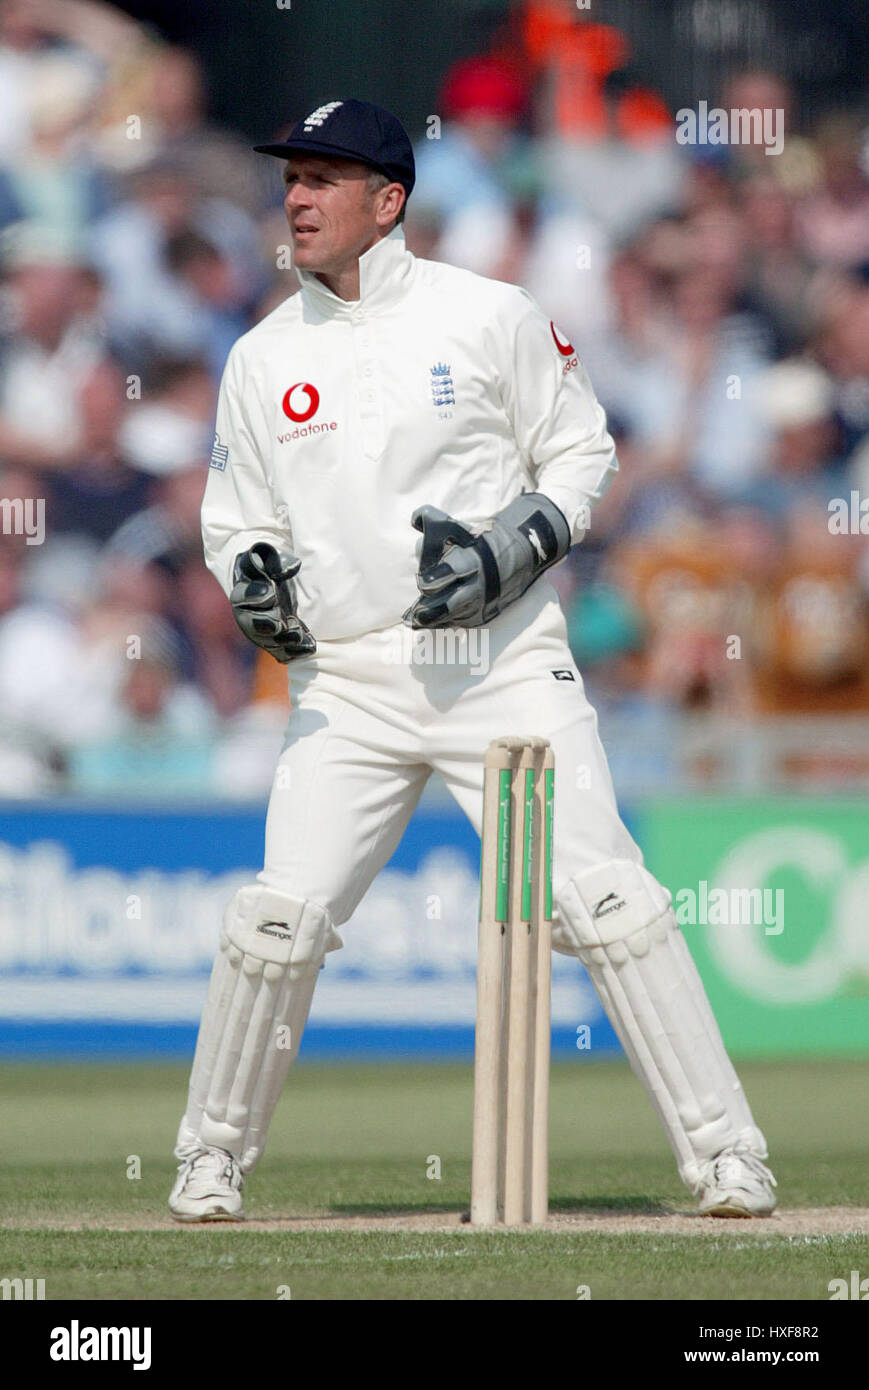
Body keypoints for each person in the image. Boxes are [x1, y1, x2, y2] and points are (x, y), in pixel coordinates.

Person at [169, 98, 776, 1222]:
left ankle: (724, 1153)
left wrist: (520, 542)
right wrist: (253, 576)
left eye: (320, 178)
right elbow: (233, 514)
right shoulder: (260, 356)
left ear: (385, 201)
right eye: (288, 178)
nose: (294, 198)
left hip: (496, 664)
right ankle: (209, 1158)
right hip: (345, 683)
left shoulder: (487, 314)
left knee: (607, 899)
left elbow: (582, 446)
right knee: (275, 919)